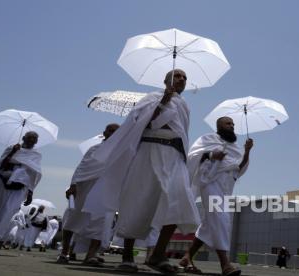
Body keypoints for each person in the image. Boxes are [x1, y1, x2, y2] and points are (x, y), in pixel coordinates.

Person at [85, 69, 200, 274]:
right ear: (165, 81)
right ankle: (128, 255)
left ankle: (157, 254)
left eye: (184, 77)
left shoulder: (184, 105)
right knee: (138, 200)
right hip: (149, 150)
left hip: (174, 156)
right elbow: (142, 122)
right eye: (177, 75)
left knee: (180, 202)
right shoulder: (152, 97)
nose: (182, 79)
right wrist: (163, 101)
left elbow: (182, 133)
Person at [179, 117, 254, 276]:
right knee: (220, 218)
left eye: (233, 124)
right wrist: (212, 154)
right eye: (228, 123)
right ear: (219, 126)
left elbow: (239, 168)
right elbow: (193, 156)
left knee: (209, 224)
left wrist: (247, 151)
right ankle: (225, 264)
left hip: (226, 187)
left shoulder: (235, 148)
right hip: (210, 182)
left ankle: (187, 257)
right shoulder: (208, 139)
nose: (232, 126)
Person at [57, 123, 119, 266]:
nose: (113, 133)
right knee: (73, 218)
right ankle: (64, 252)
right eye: (110, 130)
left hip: (104, 189)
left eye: (117, 132)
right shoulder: (94, 149)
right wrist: (73, 185)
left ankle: (90, 256)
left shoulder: (121, 151)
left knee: (100, 222)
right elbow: (81, 167)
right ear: (105, 132)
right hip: (83, 187)